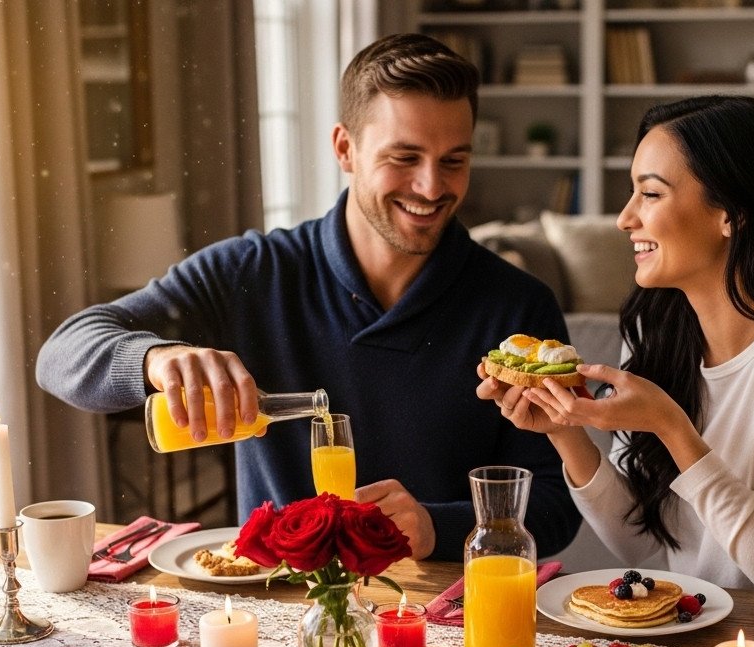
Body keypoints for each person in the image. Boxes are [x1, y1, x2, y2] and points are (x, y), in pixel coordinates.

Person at [37, 33, 580, 562]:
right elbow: (61, 355)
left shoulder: (519, 308)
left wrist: (439, 525)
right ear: (345, 148)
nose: (432, 186)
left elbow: (558, 508)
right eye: (405, 157)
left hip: (439, 617)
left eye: (454, 161)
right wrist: (157, 358)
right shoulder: (250, 271)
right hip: (277, 610)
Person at [477, 96, 754, 591]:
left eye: (651, 194)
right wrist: (564, 429)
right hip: (702, 640)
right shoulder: (655, 334)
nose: (624, 218)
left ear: (731, 213)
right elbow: (653, 550)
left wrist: (670, 426)